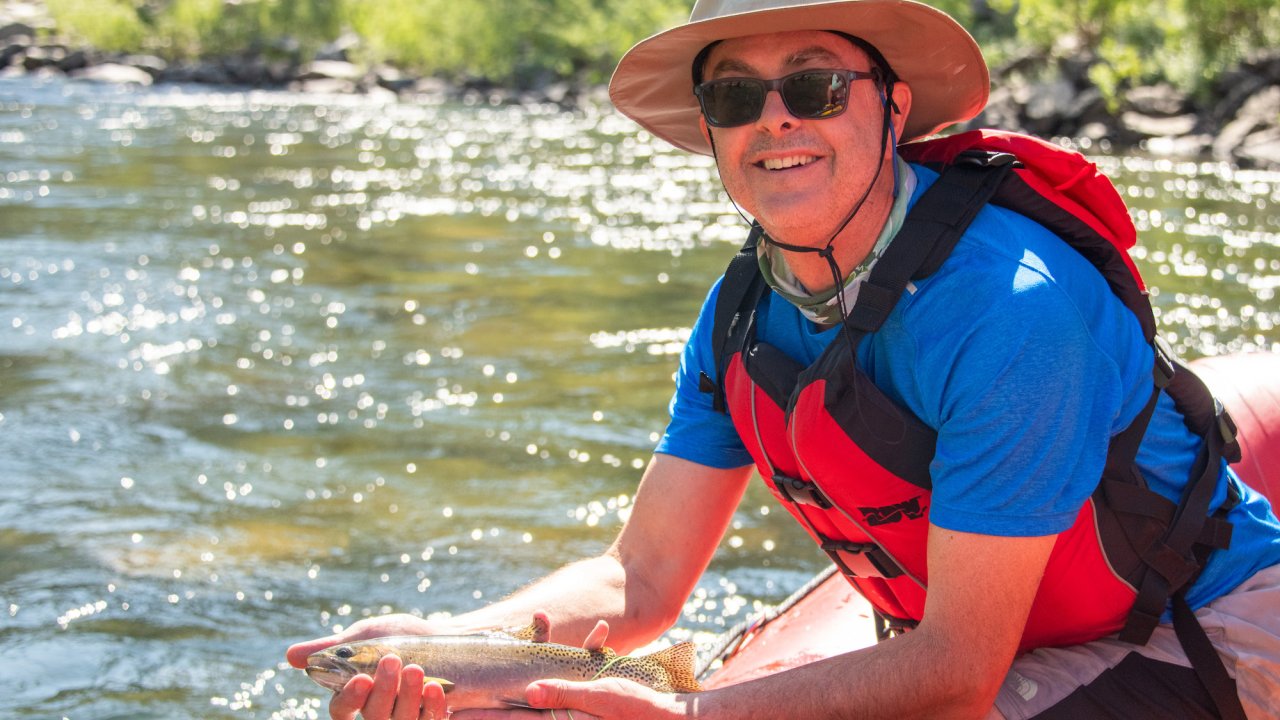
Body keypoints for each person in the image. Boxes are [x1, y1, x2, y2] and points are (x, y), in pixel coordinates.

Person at [286, 1, 1280, 717]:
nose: (774, 118)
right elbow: (637, 581)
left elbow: (953, 674)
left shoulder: (1012, 313)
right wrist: (441, 649)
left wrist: (698, 713)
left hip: (1197, 637)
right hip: (996, 647)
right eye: (733, 95)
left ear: (890, 107)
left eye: (811, 84)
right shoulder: (741, 317)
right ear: (711, 133)